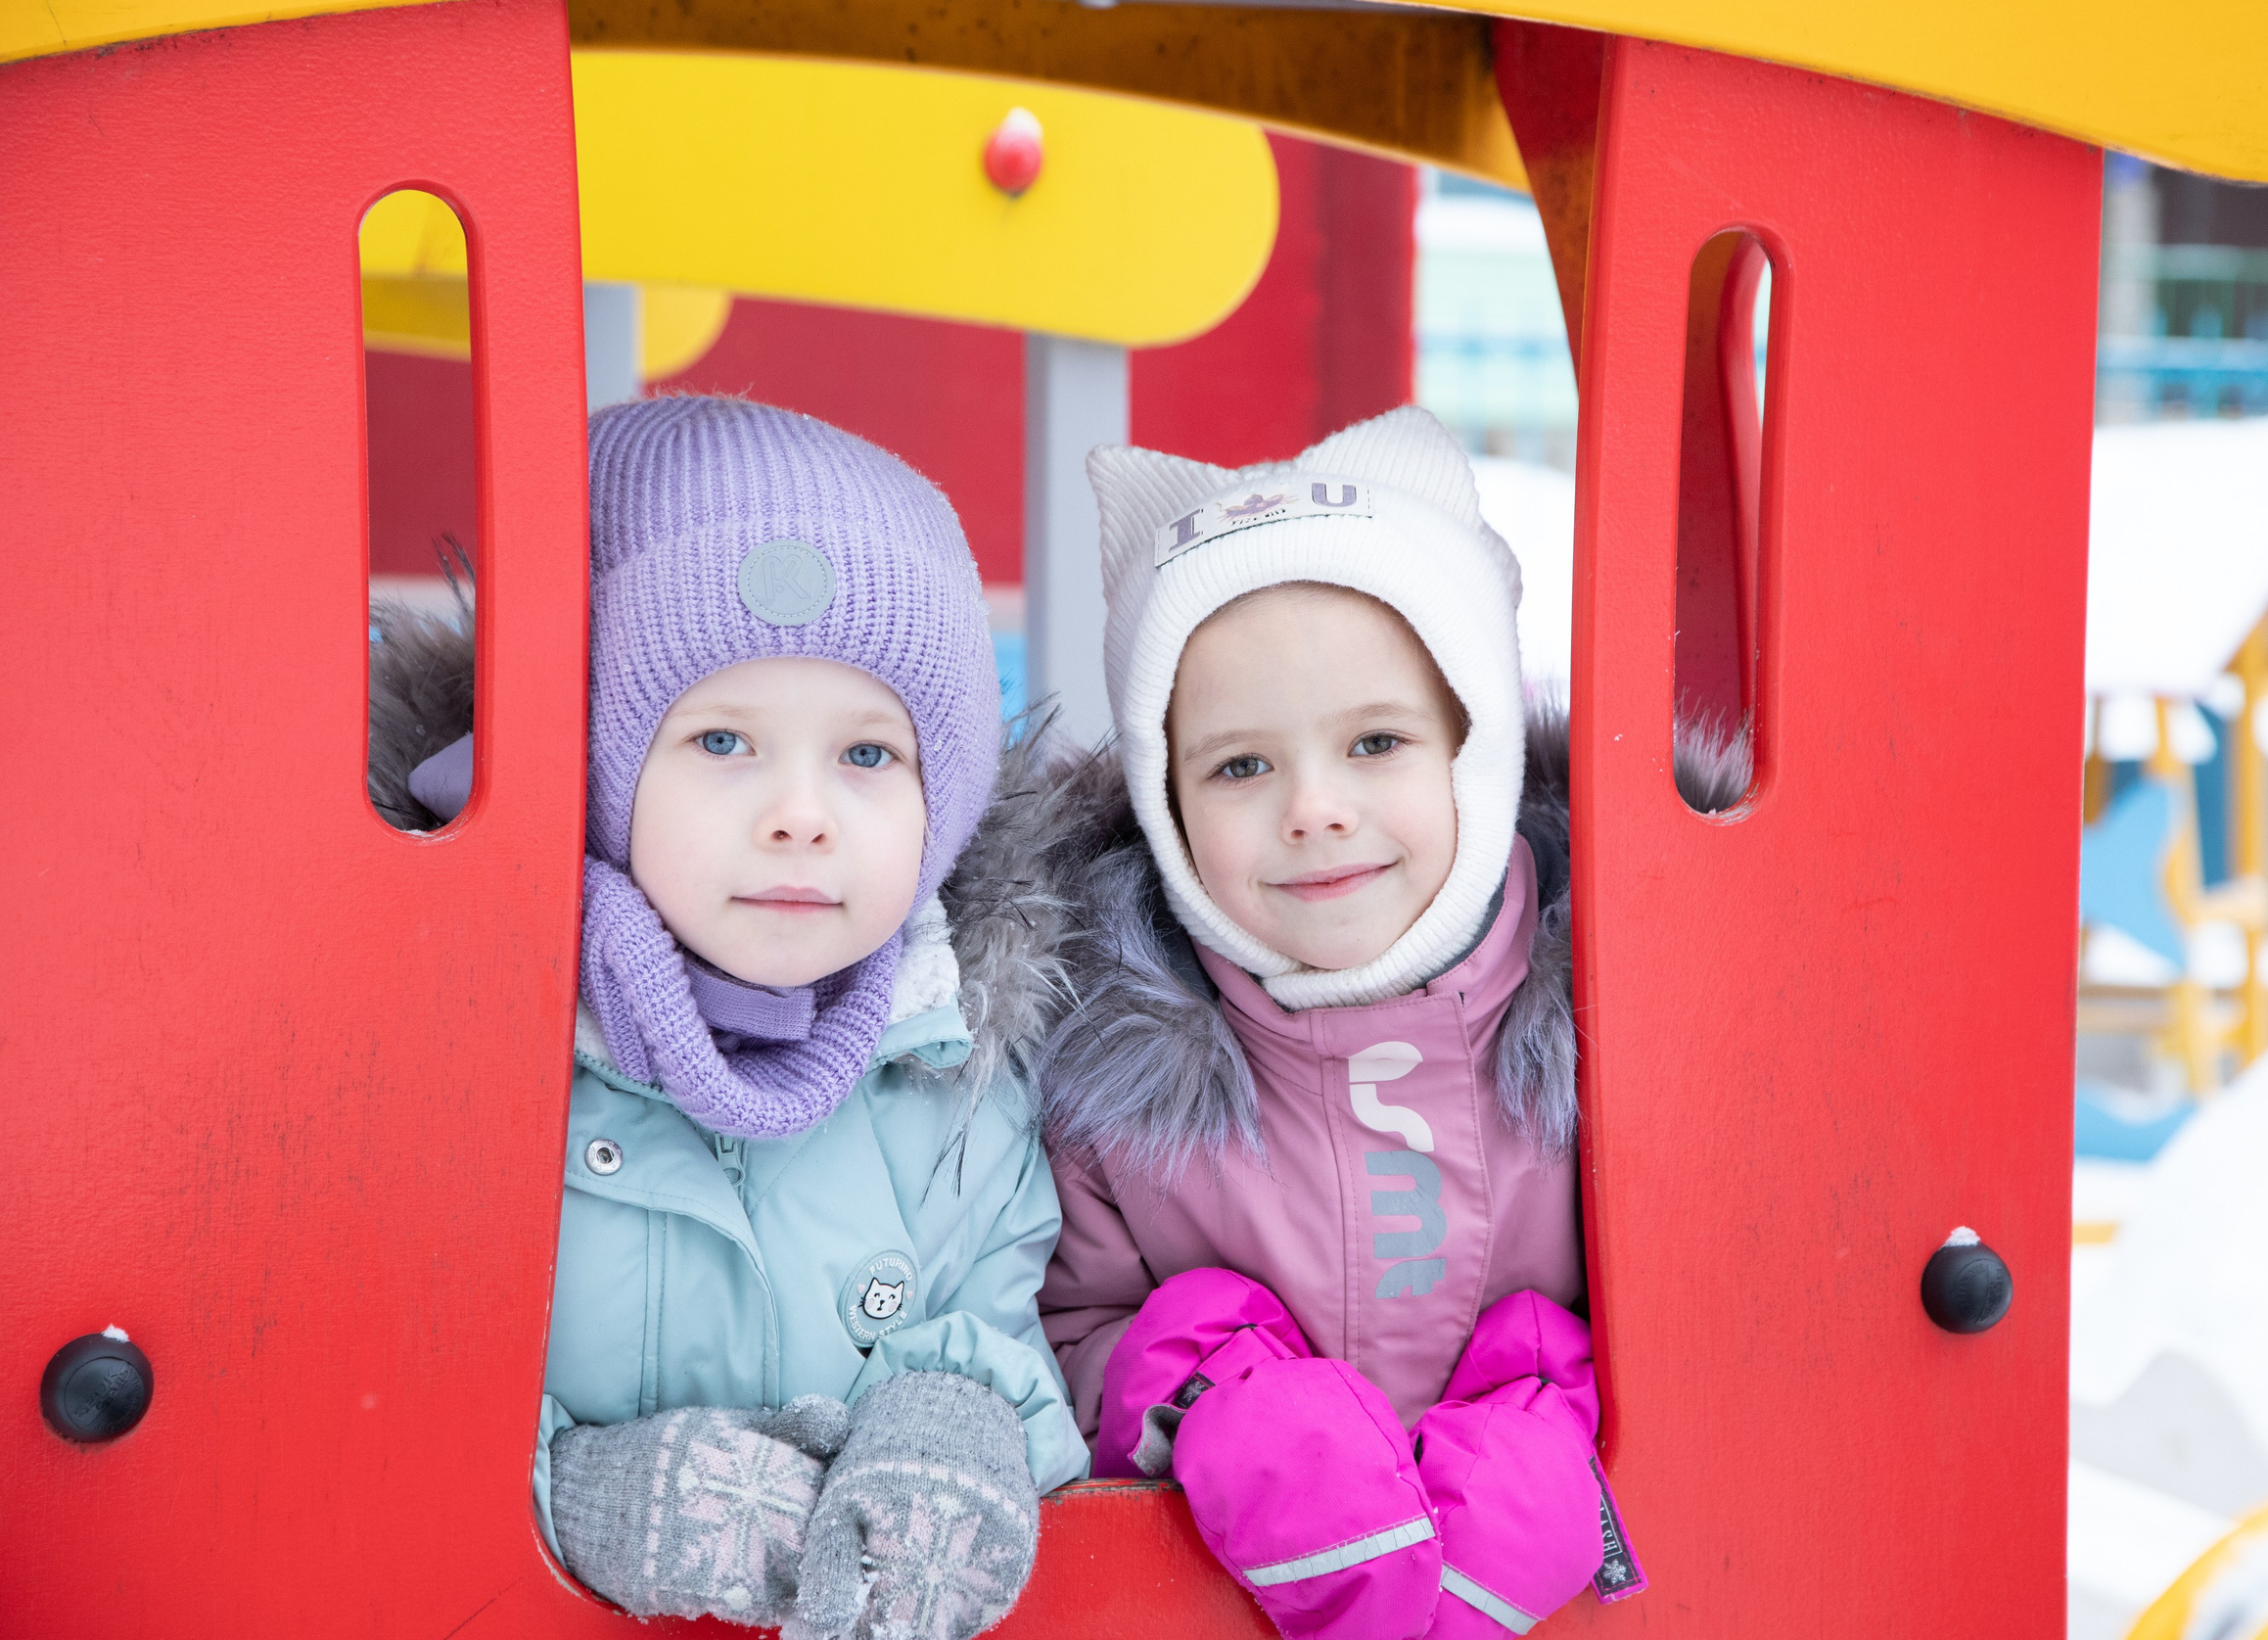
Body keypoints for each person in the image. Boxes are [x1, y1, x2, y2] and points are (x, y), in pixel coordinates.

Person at [1013, 406, 1745, 1640]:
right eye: (1240, 766)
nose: (1314, 808)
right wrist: (1205, 1396)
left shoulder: (1627, 1012)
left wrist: (1559, 1412)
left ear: (1477, 749)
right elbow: (1062, 1328)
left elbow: (1740, 1303)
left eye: (1375, 742)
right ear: (1164, 797)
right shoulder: (1109, 1065)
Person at [367, 396, 1086, 1640]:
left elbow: (1003, 1305)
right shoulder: (461, 1049)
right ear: (590, 766)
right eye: (721, 740)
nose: (801, 814)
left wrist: (965, 1421)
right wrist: (559, 1488)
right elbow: (358, 1368)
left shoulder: (957, 1064)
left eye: (868, 757)